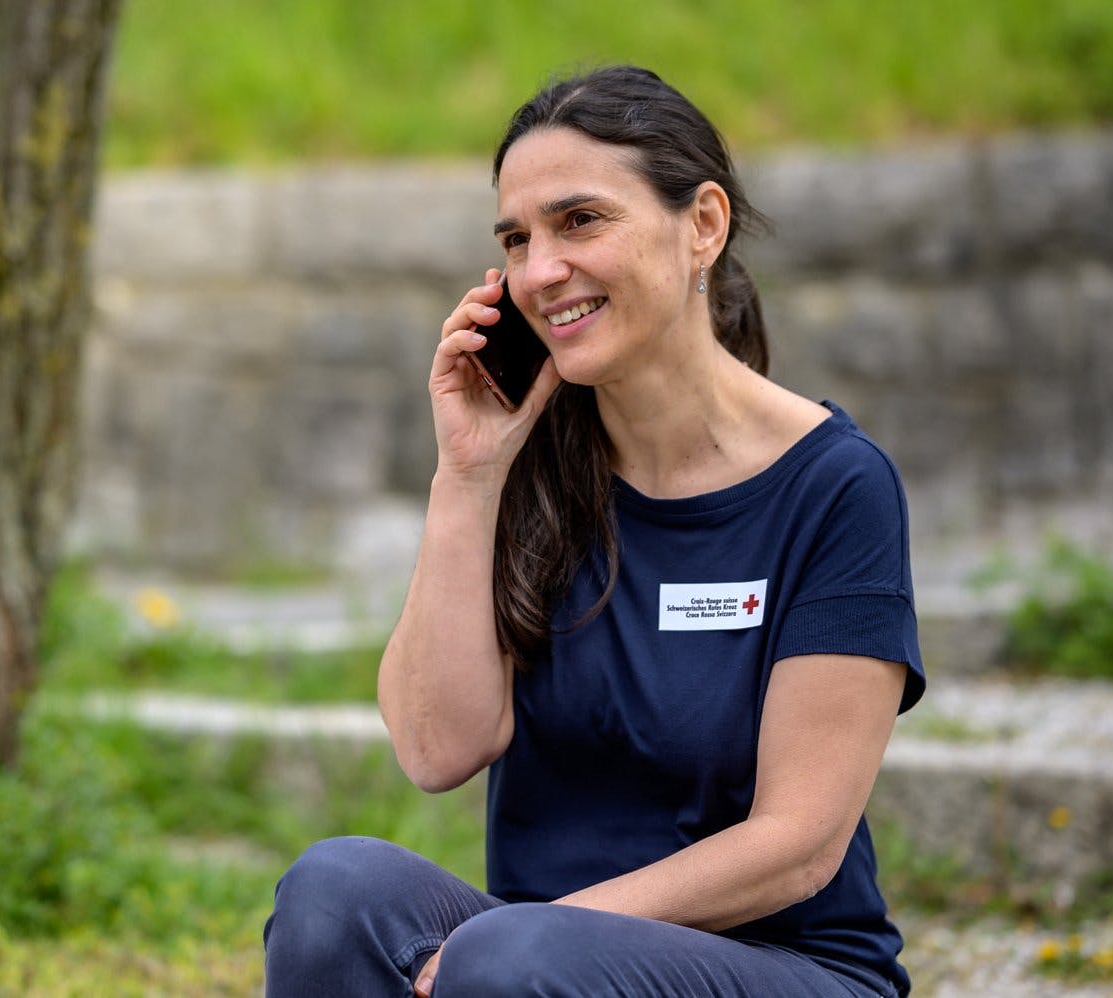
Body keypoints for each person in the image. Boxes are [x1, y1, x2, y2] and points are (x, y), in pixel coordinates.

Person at [263, 65, 926, 998]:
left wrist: (551, 933)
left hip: (788, 969)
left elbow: (798, 848)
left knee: (510, 957)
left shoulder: (833, 485)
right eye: (516, 239)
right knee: (334, 892)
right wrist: (468, 474)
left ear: (703, 224)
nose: (539, 272)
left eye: (579, 221)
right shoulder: (527, 457)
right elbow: (435, 749)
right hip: (533, 964)